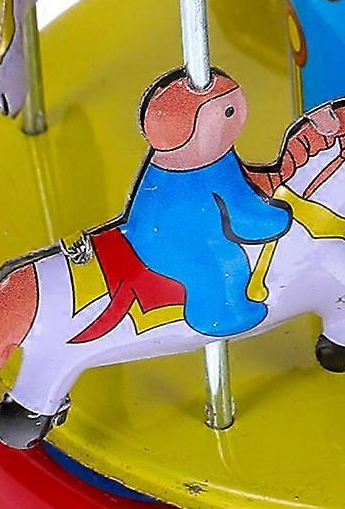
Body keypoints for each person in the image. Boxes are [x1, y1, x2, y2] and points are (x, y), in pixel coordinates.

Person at [108, 69, 293, 338]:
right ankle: (219, 315)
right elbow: (242, 217)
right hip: (166, 242)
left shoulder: (207, 158)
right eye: (228, 112)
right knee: (221, 266)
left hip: (163, 231)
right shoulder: (208, 167)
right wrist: (276, 220)